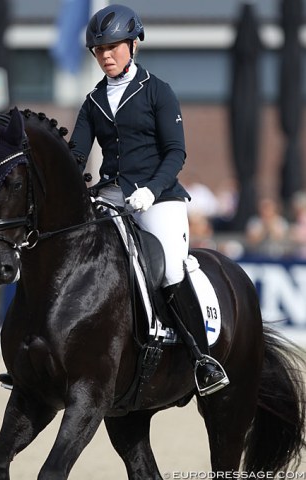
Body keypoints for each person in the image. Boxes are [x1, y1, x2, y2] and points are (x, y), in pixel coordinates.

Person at [69, 4, 229, 396]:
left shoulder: (158, 91)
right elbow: (75, 156)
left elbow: (176, 153)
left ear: (133, 44)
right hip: (111, 195)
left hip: (159, 198)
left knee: (170, 269)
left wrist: (151, 191)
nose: (105, 56)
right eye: (99, 50)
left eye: (113, 48)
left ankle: (202, 360)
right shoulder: (92, 102)